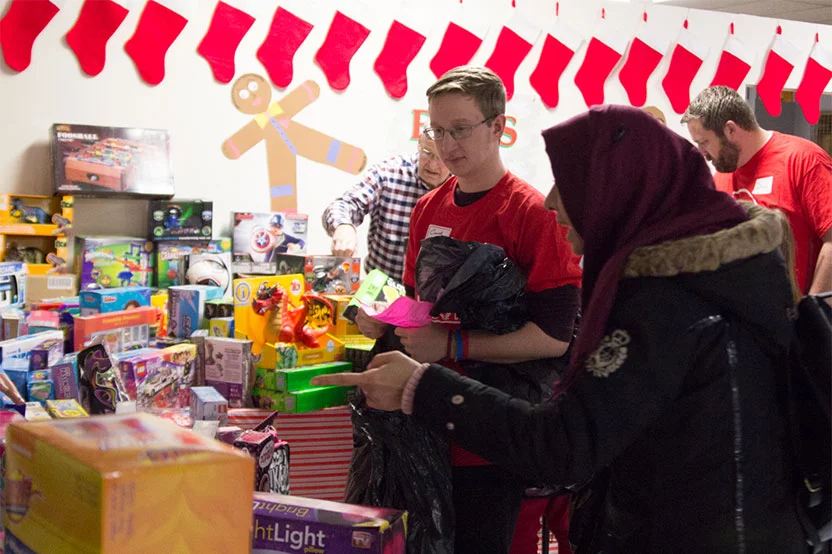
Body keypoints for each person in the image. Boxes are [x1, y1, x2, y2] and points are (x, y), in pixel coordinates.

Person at [314, 105, 807, 553]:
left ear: (616, 193)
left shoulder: (666, 304)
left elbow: (565, 445)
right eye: (437, 132)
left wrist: (421, 386)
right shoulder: (717, 283)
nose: (553, 203)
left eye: (569, 183)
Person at [357, 66, 583, 554]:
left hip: (491, 429)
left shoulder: (532, 213)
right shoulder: (428, 209)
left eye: (460, 129)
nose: (446, 143)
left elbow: (554, 336)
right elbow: (420, 308)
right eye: (437, 130)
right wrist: (384, 316)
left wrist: (454, 344)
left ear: (499, 127)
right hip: (424, 421)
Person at [682, 85, 832, 296]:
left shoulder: (804, 160)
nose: (702, 152)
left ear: (731, 130)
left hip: (795, 316)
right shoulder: (722, 174)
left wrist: (814, 312)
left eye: (704, 142)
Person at [322, 133, 451, 283]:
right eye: (427, 153)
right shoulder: (389, 173)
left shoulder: (463, 185)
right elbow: (345, 204)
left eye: (442, 157)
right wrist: (343, 226)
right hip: (379, 288)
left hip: (434, 294)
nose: (433, 164)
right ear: (419, 144)